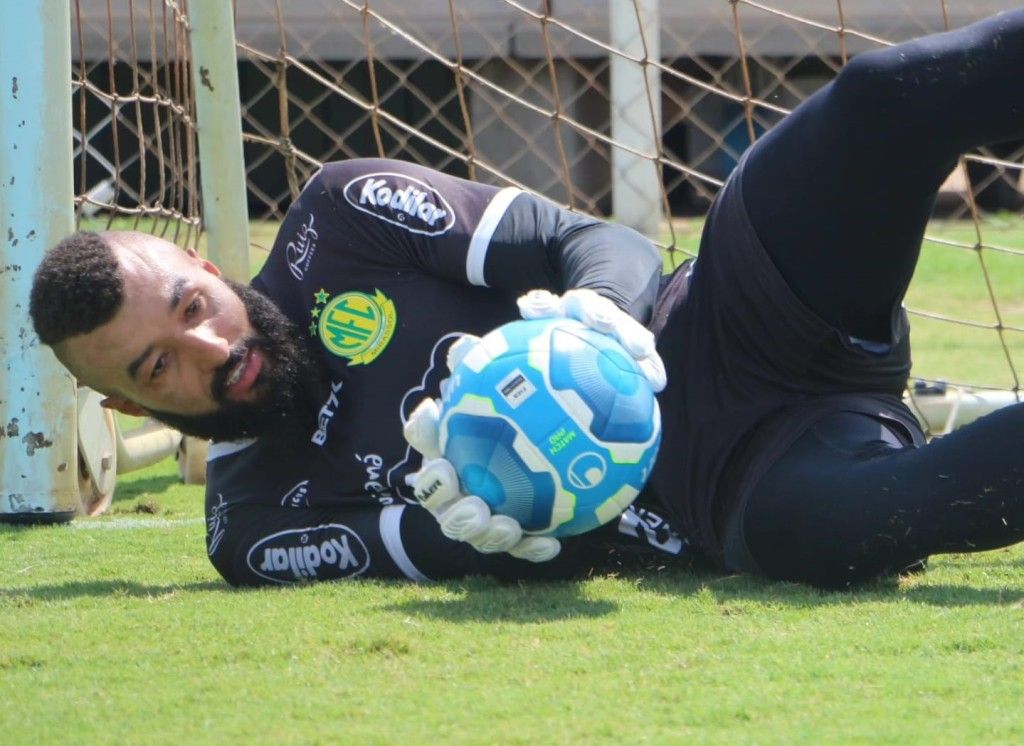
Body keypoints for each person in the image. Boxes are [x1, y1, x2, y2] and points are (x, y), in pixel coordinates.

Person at [29, 9, 1024, 589]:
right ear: (125, 408)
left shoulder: (341, 218)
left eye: (190, 301)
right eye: (158, 362)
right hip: (722, 489)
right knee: (866, 522)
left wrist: (597, 325)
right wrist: (492, 516)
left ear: (197, 262)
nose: (209, 344)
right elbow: (455, 551)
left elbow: (590, 240)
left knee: (882, 97)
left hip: (728, 314)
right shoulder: (251, 526)